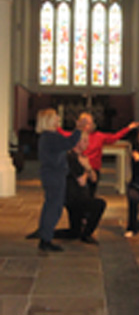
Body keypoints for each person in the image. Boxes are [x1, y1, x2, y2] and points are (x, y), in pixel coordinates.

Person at [36, 108, 83, 252]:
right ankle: (46, 239)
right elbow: (69, 143)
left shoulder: (49, 136)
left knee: (50, 205)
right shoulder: (51, 136)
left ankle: (44, 236)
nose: (58, 119)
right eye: (56, 117)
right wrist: (79, 129)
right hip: (54, 175)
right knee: (54, 208)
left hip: (51, 174)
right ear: (49, 120)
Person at [58, 112, 139, 196]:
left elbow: (114, 137)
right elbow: (61, 133)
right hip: (78, 170)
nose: (89, 125)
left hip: (93, 170)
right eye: (85, 122)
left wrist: (128, 128)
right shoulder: (75, 135)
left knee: (90, 195)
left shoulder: (99, 136)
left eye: (90, 122)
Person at [65, 131, 106, 244]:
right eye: (85, 141)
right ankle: (86, 235)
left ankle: (45, 232)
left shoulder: (82, 157)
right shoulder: (71, 157)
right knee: (99, 204)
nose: (87, 143)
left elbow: (94, 178)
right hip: (73, 198)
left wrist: (88, 168)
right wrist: (87, 168)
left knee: (74, 232)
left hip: (81, 196)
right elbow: (82, 181)